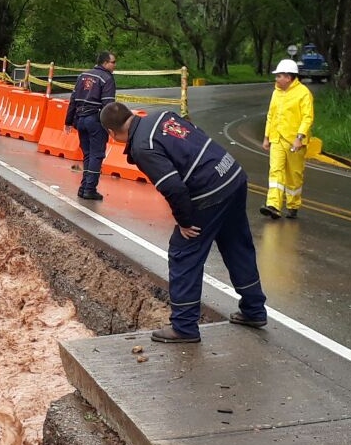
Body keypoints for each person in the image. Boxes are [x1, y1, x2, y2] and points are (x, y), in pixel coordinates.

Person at [99, 102, 268, 343]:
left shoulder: (142, 146)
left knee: (183, 252)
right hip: (232, 174)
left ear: (111, 133)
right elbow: (194, 135)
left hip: (209, 191)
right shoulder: (161, 116)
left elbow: (173, 187)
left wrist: (185, 222)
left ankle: (184, 326)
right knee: (236, 245)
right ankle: (254, 309)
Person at [260, 59, 314, 220]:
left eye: (279, 76)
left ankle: (293, 205)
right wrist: (266, 137)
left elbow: (307, 118)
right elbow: (271, 115)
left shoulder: (303, 93)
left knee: (294, 175)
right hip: (277, 138)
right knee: (275, 171)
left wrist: (299, 137)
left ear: (289, 77)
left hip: (294, 141)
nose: (276, 79)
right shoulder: (276, 92)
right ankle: (273, 205)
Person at [64, 51, 117, 200]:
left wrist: (68, 121)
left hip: (80, 120)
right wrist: (111, 126)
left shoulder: (83, 76)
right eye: (113, 62)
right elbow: (108, 105)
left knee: (88, 154)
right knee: (97, 155)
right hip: (95, 120)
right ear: (105, 63)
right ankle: (89, 189)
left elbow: (73, 99)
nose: (115, 65)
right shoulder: (107, 78)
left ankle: (83, 187)